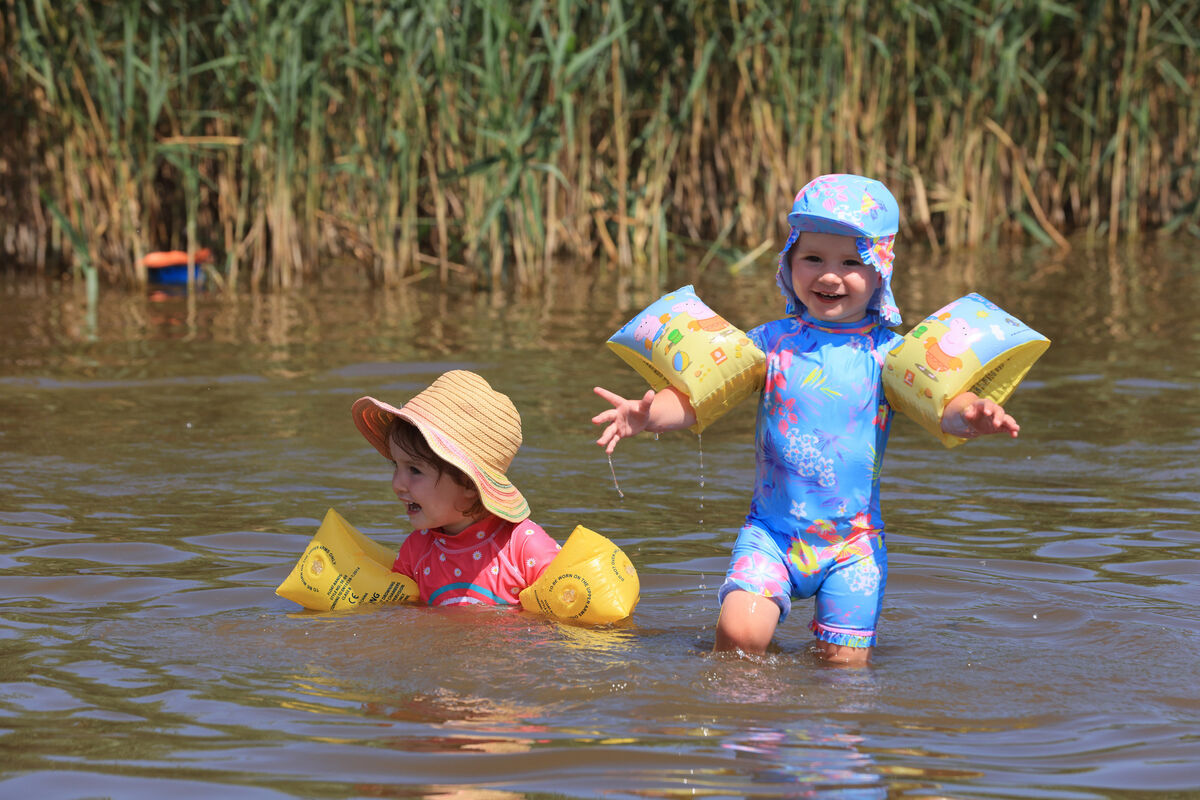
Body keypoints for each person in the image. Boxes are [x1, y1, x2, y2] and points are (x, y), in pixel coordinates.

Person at [592, 173, 1020, 665]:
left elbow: (943, 406)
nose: (830, 276)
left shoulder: (892, 357)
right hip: (771, 535)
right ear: (788, 262)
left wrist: (973, 414)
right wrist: (650, 416)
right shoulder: (768, 344)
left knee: (841, 671)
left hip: (853, 546)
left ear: (880, 270)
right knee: (738, 635)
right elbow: (696, 399)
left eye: (851, 262)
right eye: (813, 258)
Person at [352, 370, 561, 606]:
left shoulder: (523, 548)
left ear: (468, 483)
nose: (397, 484)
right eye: (396, 466)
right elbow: (400, 615)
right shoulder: (416, 550)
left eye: (415, 470)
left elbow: (570, 610)